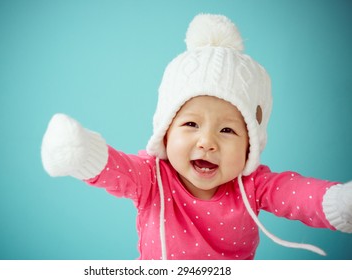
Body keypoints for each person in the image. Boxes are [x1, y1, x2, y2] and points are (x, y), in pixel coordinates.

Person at [41, 14, 352, 260]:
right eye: (191, 124)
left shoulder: (253, 184)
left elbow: (296, 194)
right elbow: (117, 169)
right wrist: (82, 154)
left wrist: (339, 202)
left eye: (227, 130)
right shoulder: (152, 178)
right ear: (165, 132)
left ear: (250, 146)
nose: (207, 142)